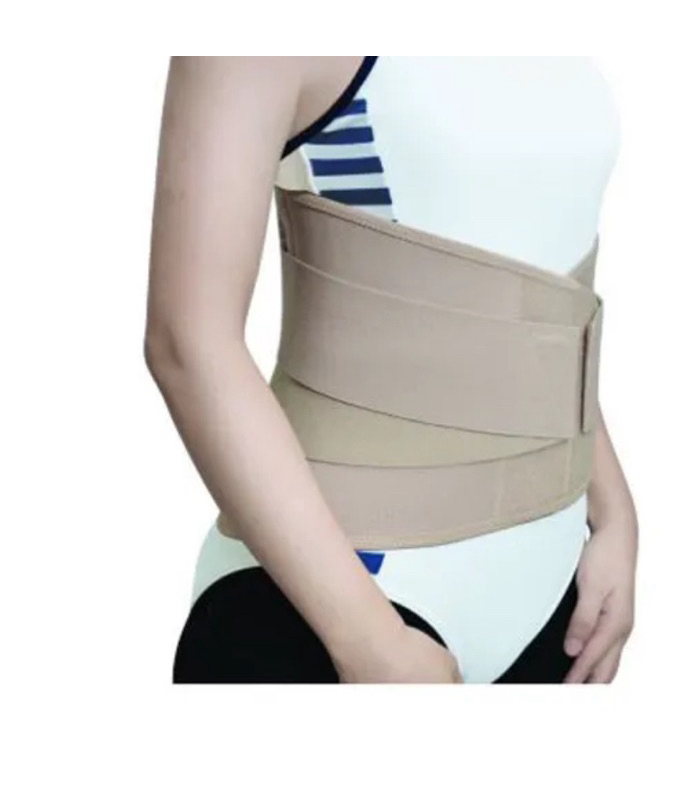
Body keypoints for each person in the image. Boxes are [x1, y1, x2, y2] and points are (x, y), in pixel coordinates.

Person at [145, 56, 638, 684]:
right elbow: (188, 343)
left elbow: (532, 304)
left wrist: (613, 512)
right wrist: (367, 641)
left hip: (554, 580)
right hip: (344, 590)